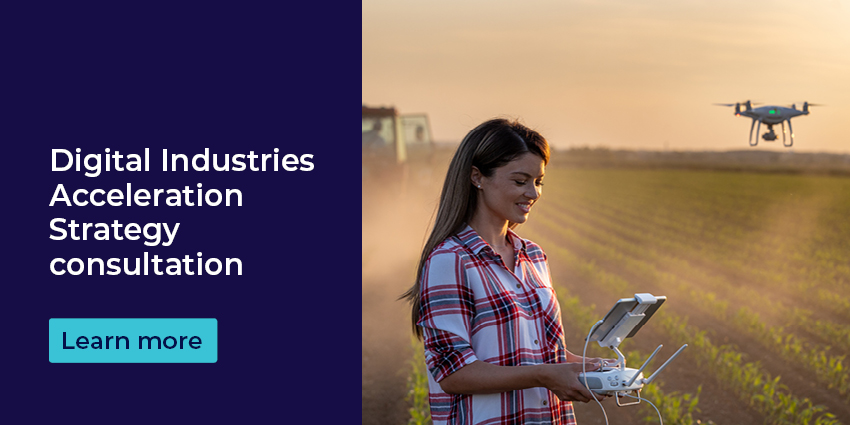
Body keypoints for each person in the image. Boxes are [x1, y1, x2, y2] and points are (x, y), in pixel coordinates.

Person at [401, 118, 608, 424]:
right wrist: (546, 375)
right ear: (477, 177)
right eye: (520, 181)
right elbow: (454, 373)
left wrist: (588, 367)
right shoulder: (451, 260)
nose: (533, 193)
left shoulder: (533, 256)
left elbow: (545, 353)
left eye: (538, 182)